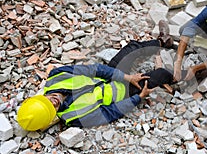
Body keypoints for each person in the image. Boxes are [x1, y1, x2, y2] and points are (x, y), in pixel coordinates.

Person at [17, 22, 175, 131]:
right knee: (161, 75)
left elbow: (94, 69)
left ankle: (162, 42)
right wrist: (139, 97)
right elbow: (110, 113)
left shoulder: (56, 77)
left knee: (132, 48)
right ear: (52, 117)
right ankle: (182, 77)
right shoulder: (72, 118)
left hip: (111, 73)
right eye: (52, 109)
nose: (54, 102)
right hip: (125, 92)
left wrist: (126, 76)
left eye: (47, 102)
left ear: (39, 98)